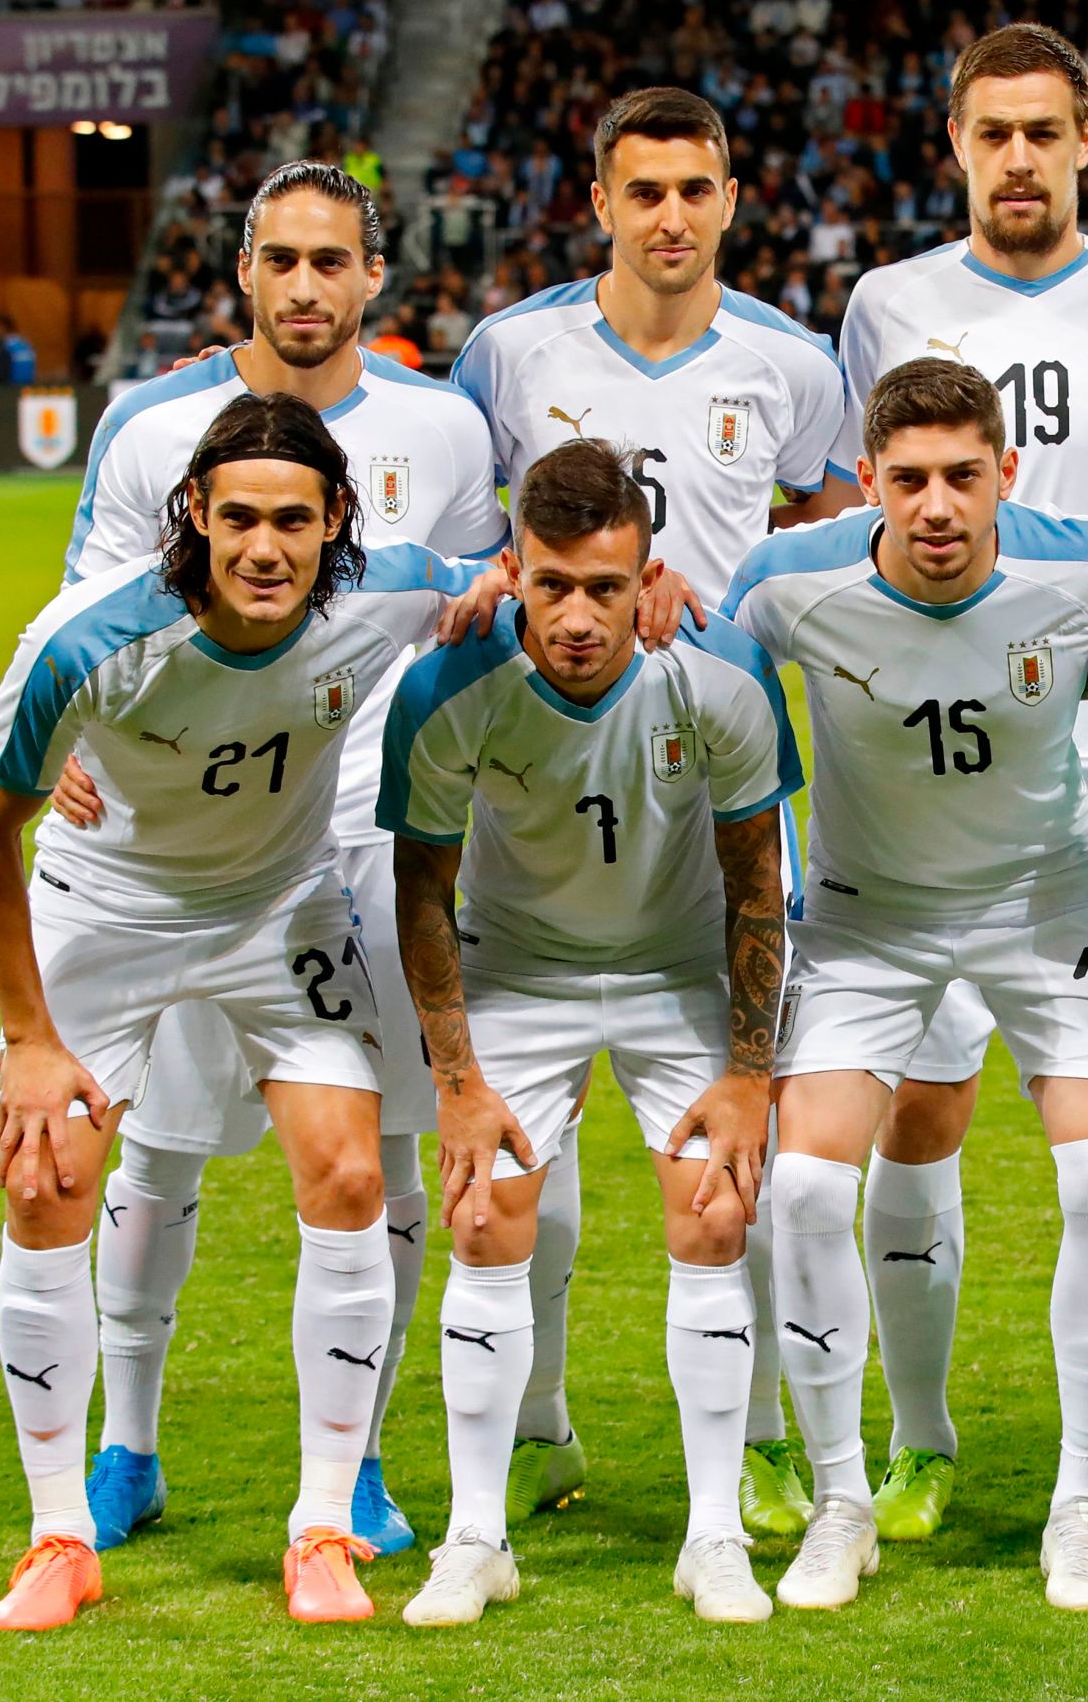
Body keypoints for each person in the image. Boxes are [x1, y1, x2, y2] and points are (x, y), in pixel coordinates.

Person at [718, 359, 1088, 1613]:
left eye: (964, 475)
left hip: (1044, 904)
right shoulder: (790, 581)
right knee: (800, 1186)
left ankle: (1077, 1502)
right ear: (868, 484)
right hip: (864, 921)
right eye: (908, 480)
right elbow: (672, 647)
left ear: (1006, 472)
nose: (938, 505)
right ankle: (842, 1498)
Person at [0, 393, 490, 1631]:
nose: (264, 546)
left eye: (292, 519)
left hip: (279, 914)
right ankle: (58, 1534)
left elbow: (517, 574)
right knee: (44, 1182)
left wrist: (587, 581)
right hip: (107, 912)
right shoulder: (90, 637)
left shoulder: (385, 592)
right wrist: (30, 1038)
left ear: (334, 520)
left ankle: (321, 1529)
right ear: (192, 513)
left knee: (352, 1175)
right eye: (238, 515)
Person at [50, 161, 508, 1564]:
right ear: (242, 273)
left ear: (377, 277)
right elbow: (84, 609)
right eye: (282, 260)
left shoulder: (442, 426)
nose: (307, 285)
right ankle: (128, 1444)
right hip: (189, 835)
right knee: (167, 1149)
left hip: (379, 831)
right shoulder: (152, 425)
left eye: (335, 260)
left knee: (385, 1158)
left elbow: (480, 603)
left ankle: (355, 1466)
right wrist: (63, 743)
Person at [815, 20, 1088, 1544]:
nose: (1023, 158)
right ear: (958, 144)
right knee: (922, 1103)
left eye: (1048, 131)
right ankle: (920, 1441)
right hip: (924, 770)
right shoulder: (887, 303)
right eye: (997, 133)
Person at [452, 84, 850, 1538]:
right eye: (644, 190)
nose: (670, 216)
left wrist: (729, 624)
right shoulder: (511, 352)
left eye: (697, 189)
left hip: (721, 778)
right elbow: (462, 543)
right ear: (599, 198)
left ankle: (742, 1451)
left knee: (731, 1133)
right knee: (518, 1153)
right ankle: (540, 1414)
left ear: (732, 199)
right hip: (544, 771)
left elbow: (823, 547)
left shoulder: (791, 366)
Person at [380, 439, 798, 1626]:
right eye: (551, 584)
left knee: (716, 1204)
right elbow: (422, 890)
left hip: (676, 967)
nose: (575, 616)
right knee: (480, 1204)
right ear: (512, 569)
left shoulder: (718, 676)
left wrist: (748, 1072)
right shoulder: (448, 687)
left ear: (647, 575)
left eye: (604, 588)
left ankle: (713, 1534)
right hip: (524, 969)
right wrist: (456, 1083)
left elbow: (756, 882)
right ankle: (476, 1536)